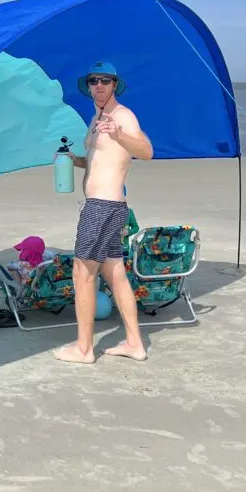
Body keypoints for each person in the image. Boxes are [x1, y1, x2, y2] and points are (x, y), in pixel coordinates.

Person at [54, 61, 153, 365]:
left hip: (101, 207)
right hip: (111, 208)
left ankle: (84, 349)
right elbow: (102, 159)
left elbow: (146, 150)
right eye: (94, 81)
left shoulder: (122, 116)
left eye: (105, 81)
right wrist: (75, 161)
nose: (99, 85)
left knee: (83, 273)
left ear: (114, 85)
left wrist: (120, 134)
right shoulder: (96, 117)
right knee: (115, 274)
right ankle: (134, 343)